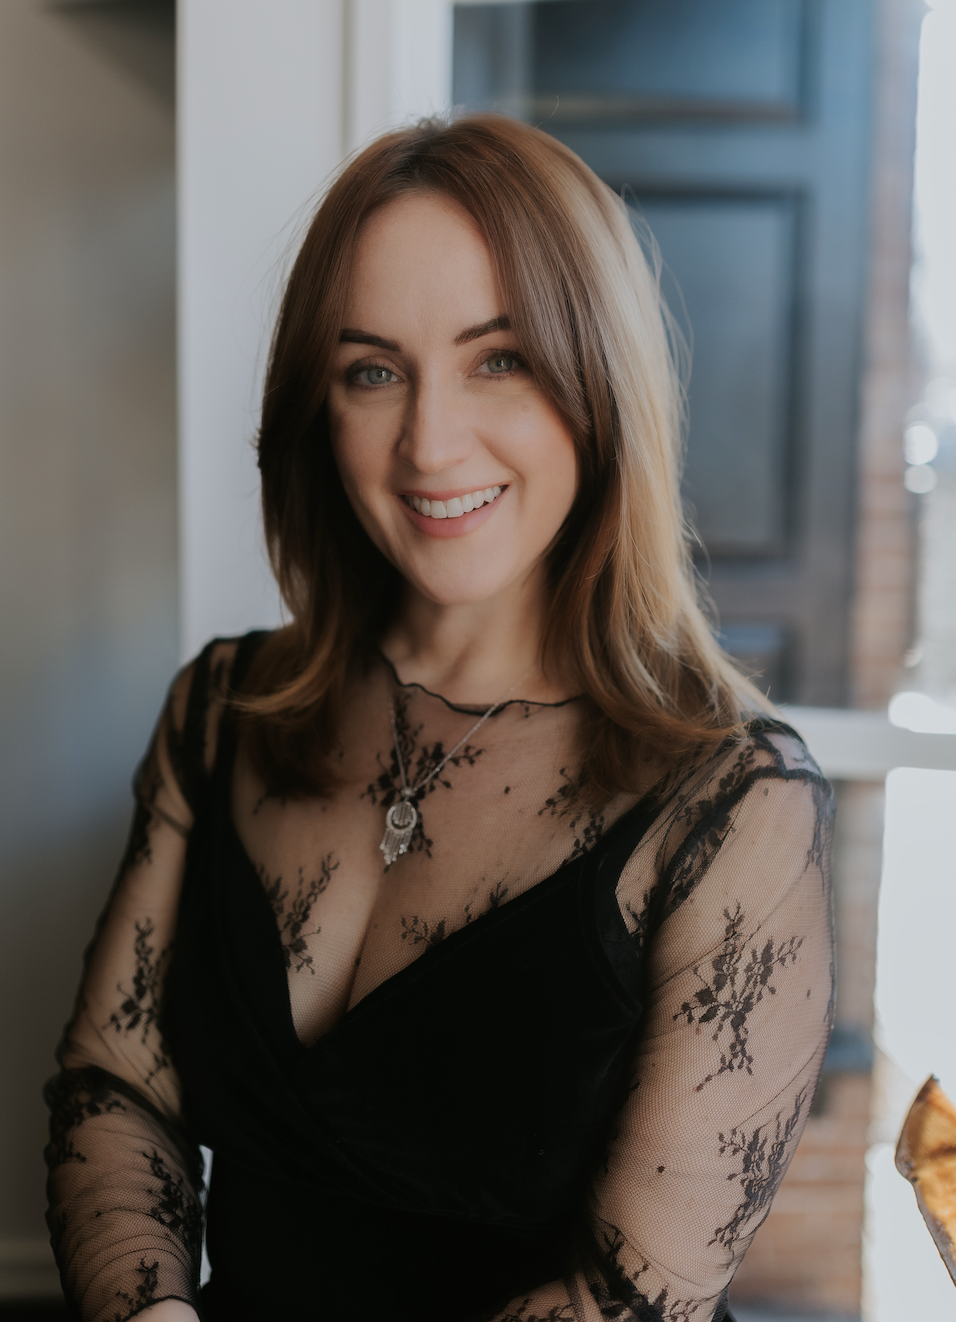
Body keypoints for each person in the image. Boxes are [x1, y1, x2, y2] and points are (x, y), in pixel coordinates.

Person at [44, 115, 834, 1322]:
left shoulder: (733, 807)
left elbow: (622, 1298)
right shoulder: (221, 709)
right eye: (372, 370)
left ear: (597, 380)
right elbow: (115, 1086)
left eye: (496, 359)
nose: (427, 441)